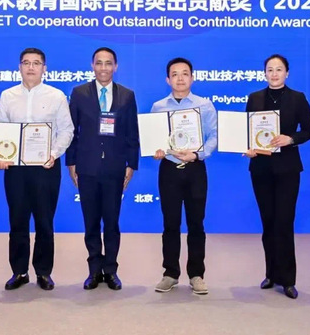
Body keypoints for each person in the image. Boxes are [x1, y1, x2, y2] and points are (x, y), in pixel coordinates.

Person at [0, 48, 74, 291]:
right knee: (17, 221)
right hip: (16, 169)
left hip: (45, 167)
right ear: (19, 67)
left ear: (44, 68)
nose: (31, 67)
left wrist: (54, 154)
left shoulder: (56, 96)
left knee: (44, 221)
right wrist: (1, 155)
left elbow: (67, 130)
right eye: (26, 63)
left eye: (36, 63)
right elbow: (1, 129)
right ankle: (19, 272)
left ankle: (43, 272)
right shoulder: (8, 95)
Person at [66, 46, 139, 291]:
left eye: (108, 63)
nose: (104, 68)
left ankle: (111, 270)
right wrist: (71, 163)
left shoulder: (127, 95)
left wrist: (131, 164)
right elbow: (72, 131)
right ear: (92, 65)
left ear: (115, 66)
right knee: (91, 223)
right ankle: (94, 270)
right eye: (99, 63)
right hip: (87, 167)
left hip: (115, 168)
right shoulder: (79, 93)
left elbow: (132, 133)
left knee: (111, 222)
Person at [243, 54, 310, 299]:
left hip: (287, 169)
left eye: (279, 69)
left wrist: (291, 139)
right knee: (268, 222)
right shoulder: (254, 98)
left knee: (284, 222)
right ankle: (271, 274)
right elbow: (247, 131)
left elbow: (309, 130)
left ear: (287, 73)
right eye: (270, 69)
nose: (274, 74)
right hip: (260, 168)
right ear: (264, 73)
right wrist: (248, 147)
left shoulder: (298, 98)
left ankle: (288, 280)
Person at [151, 57, 217, 295]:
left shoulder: (205, 105)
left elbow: (213, 136)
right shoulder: (158, 107)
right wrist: (156, 150)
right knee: (170, 224)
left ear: (192, 77)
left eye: (185, 73)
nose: (180, 78)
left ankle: (196, 274)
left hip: (195, 169)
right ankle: (170, 273)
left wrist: (197, 154)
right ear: (167, 79)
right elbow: (154, 138)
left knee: (196, 223)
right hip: (169, 169)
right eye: (175, 74)